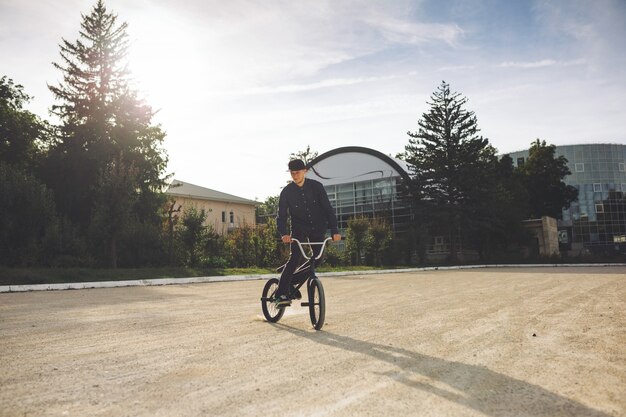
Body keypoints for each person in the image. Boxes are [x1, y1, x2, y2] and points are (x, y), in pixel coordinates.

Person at [275, 158, 341, 306]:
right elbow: (282, 216)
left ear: (305, 171)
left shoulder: (317, 187)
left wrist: (335, 230)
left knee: (317, 258)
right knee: (295, 258)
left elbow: (328, 210)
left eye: (297, 172)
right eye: (292, 173)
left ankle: (291, 280)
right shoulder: (286, 192)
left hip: (318, 227)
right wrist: (284, 234)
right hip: (299, 229)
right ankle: (281, 294)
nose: (295, 175)